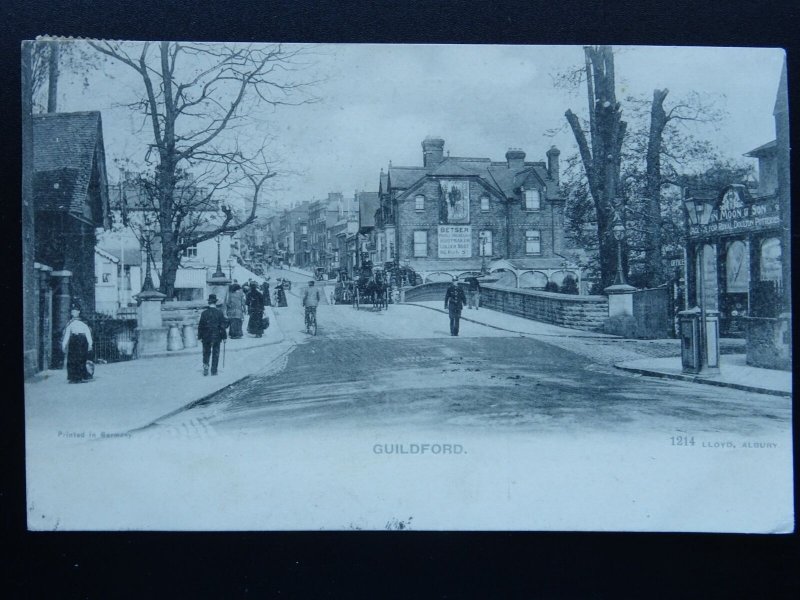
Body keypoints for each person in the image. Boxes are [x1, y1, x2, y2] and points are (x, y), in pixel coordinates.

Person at [61, 303, 93, 383]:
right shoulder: (70, 323)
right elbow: (67, 334)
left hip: (82, 341)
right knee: (72, 359)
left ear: (78, 312)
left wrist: (90, 344)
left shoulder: (84, 322)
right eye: (72, 312)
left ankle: (81, 377)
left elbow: (88, 333)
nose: (73, 313)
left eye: (75, 311)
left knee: (81, 359)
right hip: (73, 341)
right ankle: (73, 378)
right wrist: (64, 344)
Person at [197, 294, 227, 376]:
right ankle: (214, 371)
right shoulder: (219, 313)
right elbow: (222, 327)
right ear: (216, 302)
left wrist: (199, 336)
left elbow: (200, 326)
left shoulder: (204, 313)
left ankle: (206, 368)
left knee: (206, 352)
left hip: (206, 336)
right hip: (217, 336)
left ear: (208, 302)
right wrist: (224, 337)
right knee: (215, 353)